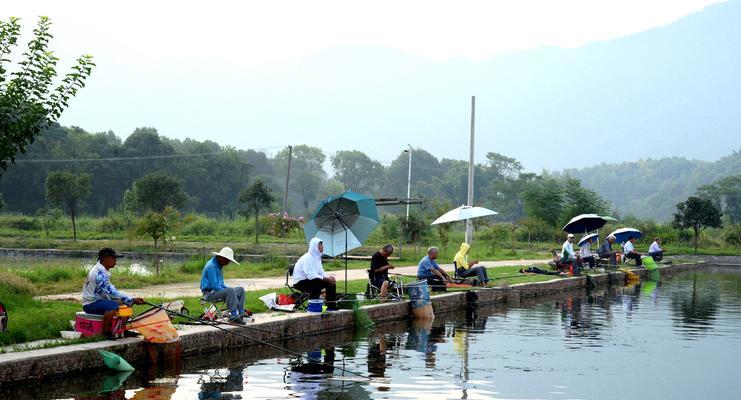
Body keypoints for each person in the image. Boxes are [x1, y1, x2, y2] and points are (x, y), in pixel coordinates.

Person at [82, 248, 145, 340]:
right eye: (114, 258)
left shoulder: (103, 271)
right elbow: (111, 292)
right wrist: (132, 299)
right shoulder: (100, 274)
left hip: (99, 300)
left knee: (126, 304)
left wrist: (129, 300)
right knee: (113, 305)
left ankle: (122, 329)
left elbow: (110, 290)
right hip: (90, 304)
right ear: (105, 258)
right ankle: (105, 332)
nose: (116, 261)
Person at [200, 247, 249, 324]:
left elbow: (221, 284)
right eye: (227, 261)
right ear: (222, 258)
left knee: (240, 289)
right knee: (230, 290)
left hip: (216, 291)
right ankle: (233, 316)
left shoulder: (219, 266)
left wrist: (231, 292)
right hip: (209, 294)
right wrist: (230, 291)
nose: (228, 263)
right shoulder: (211, 266)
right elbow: (215, 286)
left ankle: (241, 312)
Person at [292, 237, 338, 310]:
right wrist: (325, 279)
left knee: (331, 283)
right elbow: (310, 275)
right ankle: (314, 307)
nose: (322, 247)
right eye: (319, 245)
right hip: (300, 282)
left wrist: (328, 278)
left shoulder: (317, 257)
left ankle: (331, 307)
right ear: (314, 247)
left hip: (310, 280)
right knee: (317, 282)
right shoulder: (307, 257)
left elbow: (321, 271)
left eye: (322, 245)